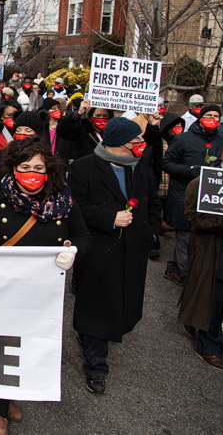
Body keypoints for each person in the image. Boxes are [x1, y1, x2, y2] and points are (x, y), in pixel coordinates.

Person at [0, 139, 90, 435]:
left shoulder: (63, 200)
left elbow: (83, 237)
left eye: (39, 168)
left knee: (26, 347)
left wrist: (73, 252)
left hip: (41, 293)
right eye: (25, 167)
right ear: (13, 168)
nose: (32, 173)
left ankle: (8, 397)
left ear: (50, 170)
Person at [67, 117, 161, 394]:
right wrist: (109, 218)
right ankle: (96, 367)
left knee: (121, 303)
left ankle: (91, 335)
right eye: (136, 141)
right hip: (98, 250)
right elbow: (75, 206)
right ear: (121, 144)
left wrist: (151, 234)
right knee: (97, 307)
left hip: (132, 250)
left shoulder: (140, 167)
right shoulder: (85, 167)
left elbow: (152, 203)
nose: (141, 145)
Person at [178, 138, 223, 372]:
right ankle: (209, 346)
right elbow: (193, 218)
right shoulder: (202, 184)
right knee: (213, 298)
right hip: (216, 251)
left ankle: (193, 318)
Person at [162, 104, 223, 286]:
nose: (212, 119)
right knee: (185, 237)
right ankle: (188, 279)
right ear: (200, 117)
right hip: (184, 196)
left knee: (192, 238)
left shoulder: (222, 142)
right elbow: (166, 163)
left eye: (216, 116)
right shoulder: (183, 139)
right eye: (209, 115)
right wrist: (189, 170)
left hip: (208, 199)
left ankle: (174, 268)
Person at [56, 99, 113, 163]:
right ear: (91, 116)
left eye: (105, 116)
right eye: (98, 116)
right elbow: (62, 130)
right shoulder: (83, 128)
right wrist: (78, 113)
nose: (101, 118)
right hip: (86, 169)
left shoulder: (113, 132)